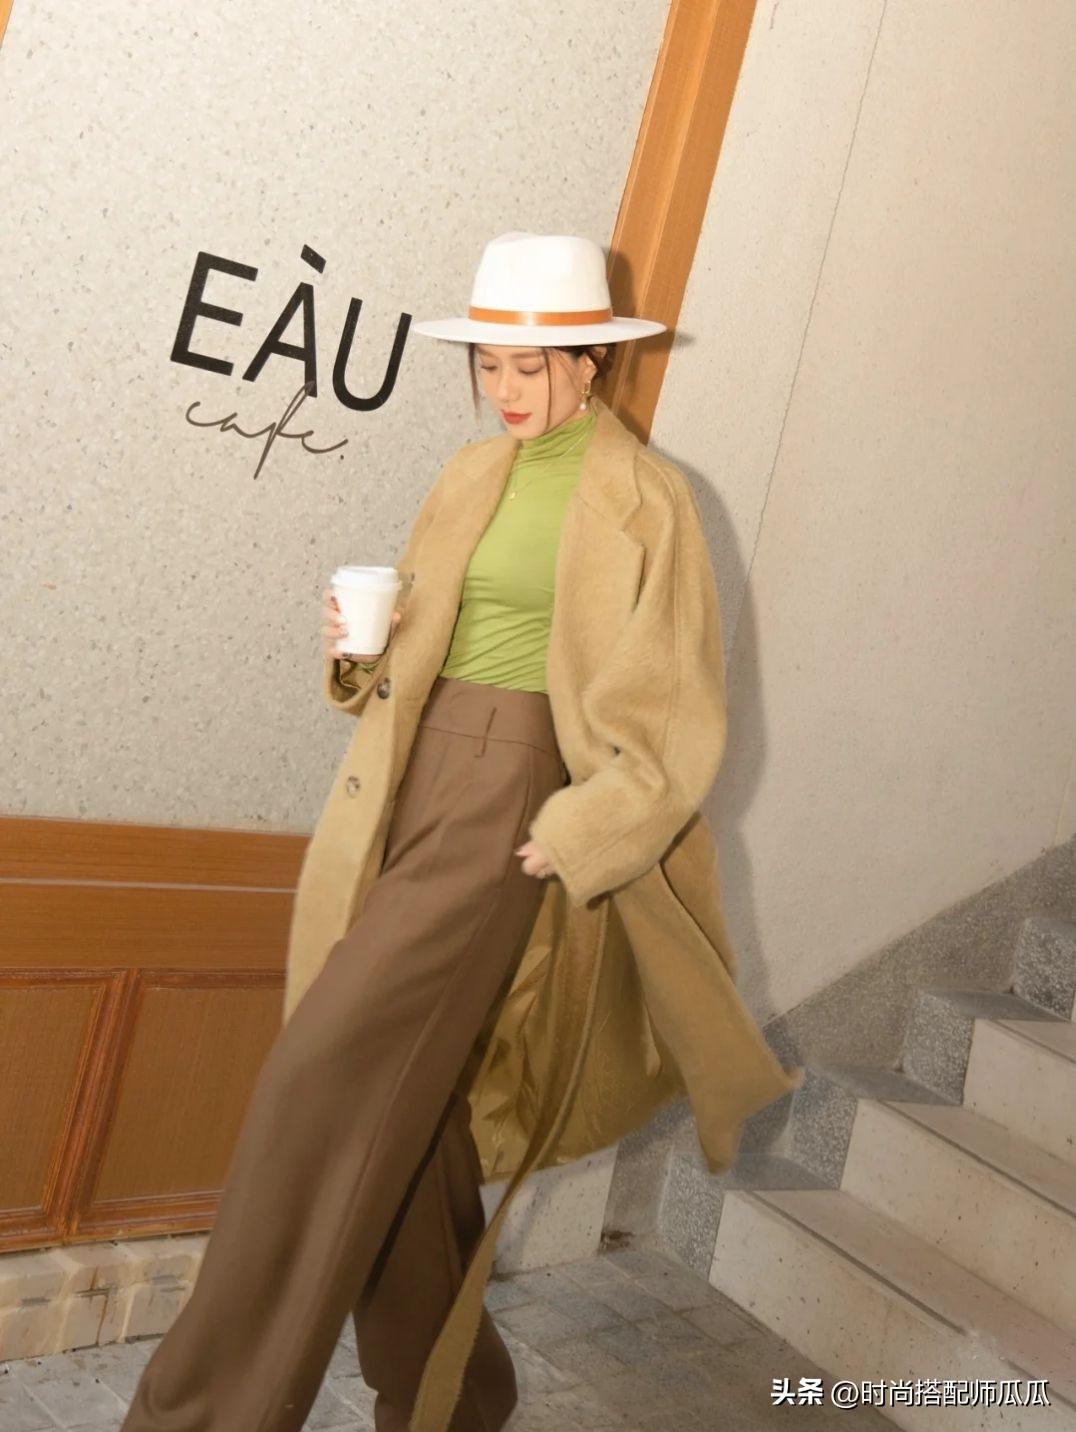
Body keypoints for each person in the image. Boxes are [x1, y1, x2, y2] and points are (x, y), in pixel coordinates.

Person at [120, 232, 802, 1432]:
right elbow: (414, 641)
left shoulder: (648, 497)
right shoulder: (470, 471)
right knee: (415, 1113)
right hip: (410, 778)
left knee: (317, 1084)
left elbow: (677, 703)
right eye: (488, 362)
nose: (506, 387)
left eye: (531, 365)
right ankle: (458, 1399)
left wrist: (580, 826)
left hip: (512, 803)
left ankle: (201, 1415)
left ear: (591, 362)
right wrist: (356, 649)